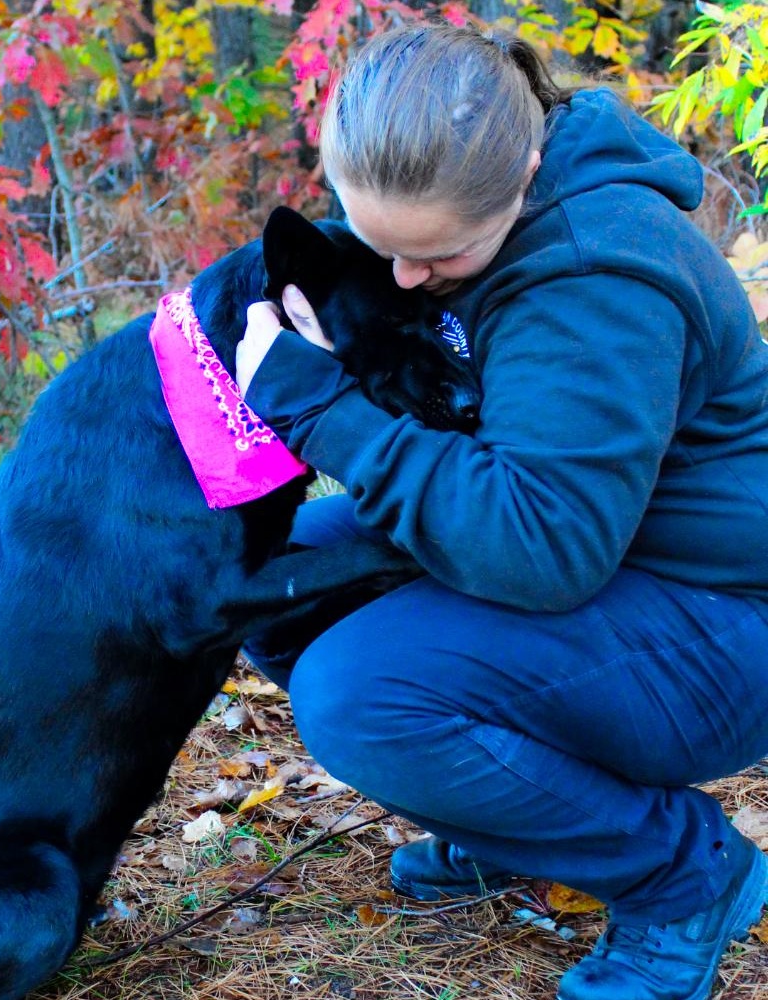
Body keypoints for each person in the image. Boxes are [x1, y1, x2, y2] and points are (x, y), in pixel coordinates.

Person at [233, 20, 768, 1000]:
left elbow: (541, 552)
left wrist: (320, 410)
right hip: (604, 553)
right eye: (381, 244)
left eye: (433, 254)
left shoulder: (595, 280)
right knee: (275, 584)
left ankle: (681, 874)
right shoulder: (471, 207)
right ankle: (514, 818)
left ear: (520, 173)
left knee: (361, 692)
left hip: (723, 618)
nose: (404, 277)